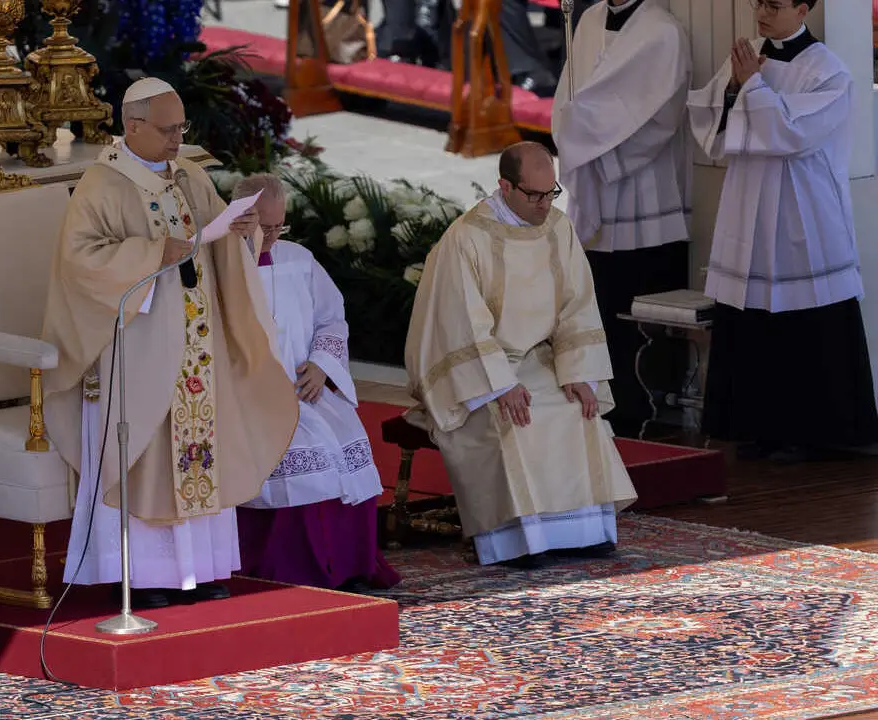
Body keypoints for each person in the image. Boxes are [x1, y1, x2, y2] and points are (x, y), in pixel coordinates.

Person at [41, 78, 299, 610]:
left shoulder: (191, 176)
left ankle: (200, 568)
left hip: (197, 343)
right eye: (167, 129)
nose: (177, 138)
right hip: (138, 347)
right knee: (149, 454)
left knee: (203, 448)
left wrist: (241, 230)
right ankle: (144, 574)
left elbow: (217, 240)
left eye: (181, 127)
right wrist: (154, 252)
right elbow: (80, 263)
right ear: (131, 126)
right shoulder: (102, 185)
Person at [404, 142, 638, 569]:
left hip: (541, 359)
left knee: (575, 408)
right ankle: (519, 541)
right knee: (515, 417)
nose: (545, 205)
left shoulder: (558, 228)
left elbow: (577, 303)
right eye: (535, 195)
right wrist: (499, 383)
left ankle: (581, 532)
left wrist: (576, 369)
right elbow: (461, 323)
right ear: (505, 187)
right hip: (482, 369)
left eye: (552, 193)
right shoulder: (467, 238)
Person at [688, 0, 878, 461]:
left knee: (805, 318)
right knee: (753, 316)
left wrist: (751, 85)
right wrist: (735, 88)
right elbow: (709, 122)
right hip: (748, 200)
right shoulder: (749, 53)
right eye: (759, 3)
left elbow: (791, 135)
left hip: (802, 211)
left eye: (775, 5)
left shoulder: (828, 70)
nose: (762, 13)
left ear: (804, 8)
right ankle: (758, 428)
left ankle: (812, 432)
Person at [230, 174, 400, 593]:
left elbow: (331, 318)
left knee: (346, 441)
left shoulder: (298, 259)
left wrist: (322, 365)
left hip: (305, 387)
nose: (271, 236)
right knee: (304, 456)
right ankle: (299, 570)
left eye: (278, 226)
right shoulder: (220, 265)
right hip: (248, 396)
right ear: (239, 217)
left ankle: (348, 567)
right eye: (262, 227)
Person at [551, 0, 693, 438]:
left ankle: (641, 407)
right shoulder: (589, 19)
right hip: (598, 183)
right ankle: (594, 401)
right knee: (597, 301)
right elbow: (570, 94)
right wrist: (578, 135)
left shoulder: (662, 31)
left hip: (641, 186)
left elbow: (662, 115)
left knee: (636, 303)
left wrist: (602, 151)